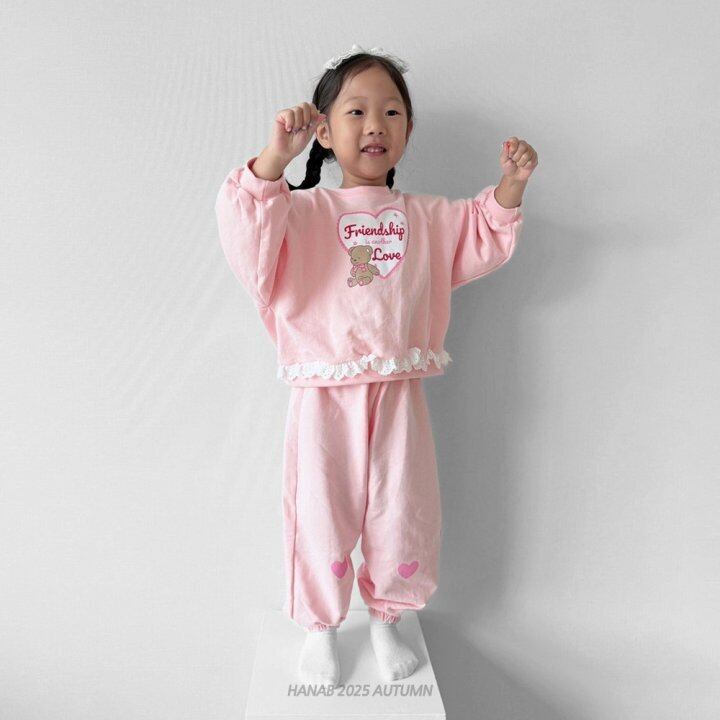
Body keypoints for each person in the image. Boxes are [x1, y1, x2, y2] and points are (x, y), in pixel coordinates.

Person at [214, 44, 538, 686]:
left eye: (391, 112)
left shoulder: (425, 217)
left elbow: (480, 231)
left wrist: (512, 185)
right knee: (320, 511)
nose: (375, 125)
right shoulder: (302, 213)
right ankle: (321, 627)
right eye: (356, 111)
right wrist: (275, 158)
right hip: (324, 394)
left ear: (408, 130)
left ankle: (389, 618)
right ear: (324, 132)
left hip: (398, 393)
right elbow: (247, 232)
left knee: (403, 507)